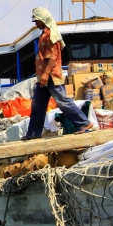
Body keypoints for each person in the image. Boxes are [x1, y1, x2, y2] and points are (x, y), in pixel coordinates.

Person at [23, 8, 92, 140]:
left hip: (51, 76)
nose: (35, 23)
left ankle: (85, 123)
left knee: (63, 102)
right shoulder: (43, 34)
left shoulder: (52, 34)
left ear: (43, 20)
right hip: (43, 77)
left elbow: (53, 58)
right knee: (37, 105)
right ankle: (33, 133)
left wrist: (45, 74)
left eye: (37, 20)